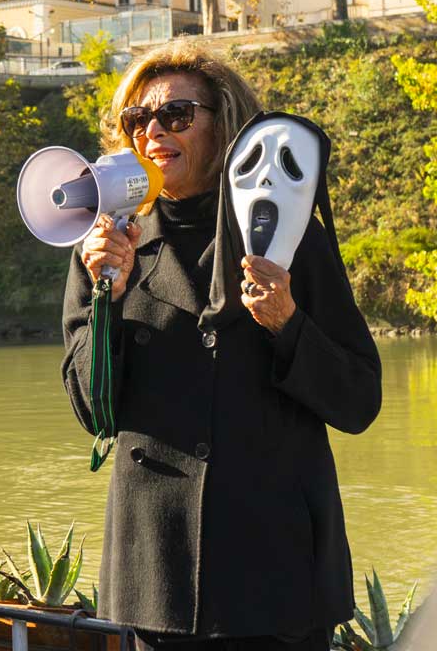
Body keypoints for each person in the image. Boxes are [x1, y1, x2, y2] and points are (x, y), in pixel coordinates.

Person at [61, 39, 381, 649]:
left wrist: (288, 323)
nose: (153, 130)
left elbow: (360, 399)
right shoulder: (105, 244)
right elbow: (90, 409)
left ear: (226, 126)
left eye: (175, 116)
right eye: (138, 120)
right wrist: (108, 299)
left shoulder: (290, 232)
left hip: (280, 573)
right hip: (160, 574)